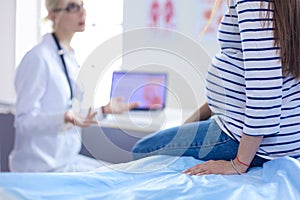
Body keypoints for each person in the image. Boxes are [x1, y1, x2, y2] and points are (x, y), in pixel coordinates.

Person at [132, 0, 300, 175]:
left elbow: (265, 87)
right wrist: (189, 125)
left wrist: (239, 164)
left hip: (257, 143)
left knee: (142, 150)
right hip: (285, 136)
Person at [9, 0, 138, 172]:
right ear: (53, 15)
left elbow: (71, 111)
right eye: (72, 7)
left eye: (82, 5)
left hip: (66, 160)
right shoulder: (38, 59)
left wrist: (105, 110)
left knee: (121, 174)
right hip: (39, 168)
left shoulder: (67, 56)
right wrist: (64, 117)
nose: (82, 12)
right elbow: (24, 121)